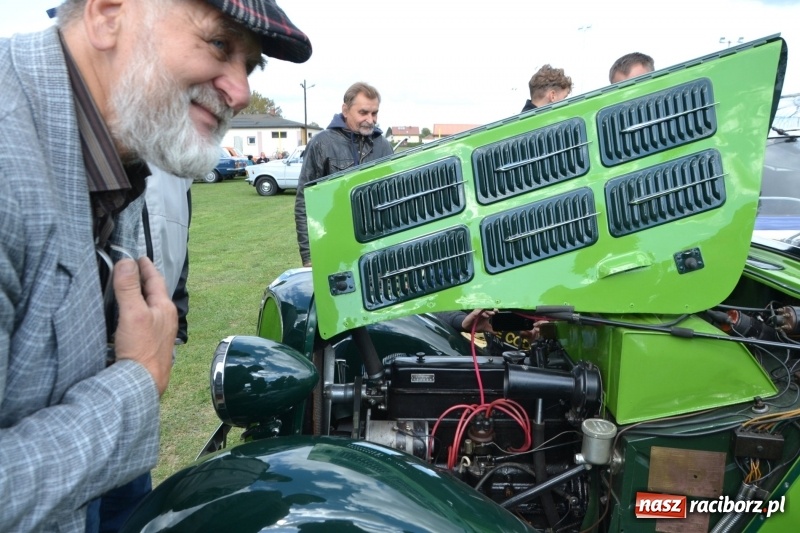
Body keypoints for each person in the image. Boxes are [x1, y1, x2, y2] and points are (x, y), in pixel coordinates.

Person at [0, 0, 311, 531]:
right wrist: (136, 381)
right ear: (106, 14)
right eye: (219, 45)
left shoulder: (123, 146)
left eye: (250, 66)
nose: (238, 92)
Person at [87, 165, 193, 533]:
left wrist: (173, 321)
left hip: (140, 375)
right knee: (85, 508)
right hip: (88, 377)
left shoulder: (179, 165)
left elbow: (179, 248)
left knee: (130, 507)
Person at [294, 82, 393, 266]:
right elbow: (304, 203)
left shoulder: (383, 145)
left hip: (377, 247)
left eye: (374, 113)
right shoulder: (322, 144)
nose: (370, 120)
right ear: (345, 110)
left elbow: (394, 197)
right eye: (363, 113)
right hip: (333, 245)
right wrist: (309, 257)